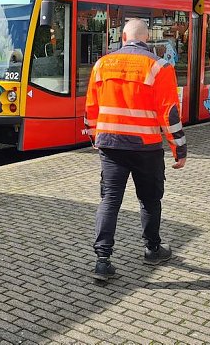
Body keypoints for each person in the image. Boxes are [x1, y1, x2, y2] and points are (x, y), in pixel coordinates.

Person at [83, 18, 187, 282]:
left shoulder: (102, 64)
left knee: (110, 200)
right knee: (150, 200)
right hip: (146, 147)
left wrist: (95, 138)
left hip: (111, 145)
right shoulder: (159, 66)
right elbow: (170, 114)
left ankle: (102, 261)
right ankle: (152, 249)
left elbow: (90, 109)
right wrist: (180, 150)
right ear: (145, 39)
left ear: (124, 37)